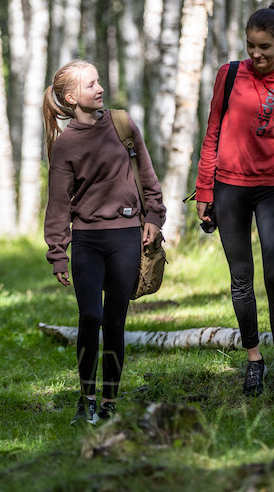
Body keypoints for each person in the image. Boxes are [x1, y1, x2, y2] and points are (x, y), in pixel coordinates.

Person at [195, 3, 274, 402]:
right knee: (241, 279)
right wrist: (205, 190)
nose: (256, 54)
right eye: (250, 45)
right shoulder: (230, 75)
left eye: (265, 46)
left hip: (272, 191)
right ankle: (253, 359)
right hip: (229, 188)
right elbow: (212, 130)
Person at [43, 60, 166, 425]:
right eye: (91, 84)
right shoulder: (65, 145)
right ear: (71, 97)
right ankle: (87, 400)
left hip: (126, 236)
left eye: (99, 82)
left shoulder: (122, 124)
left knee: (114, 320)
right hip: (86, 242)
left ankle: (110, 401)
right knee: (90, 317)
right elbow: (59, 204)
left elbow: (147, 175)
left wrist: (155, 218)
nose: (100, 88)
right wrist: (57, 253)